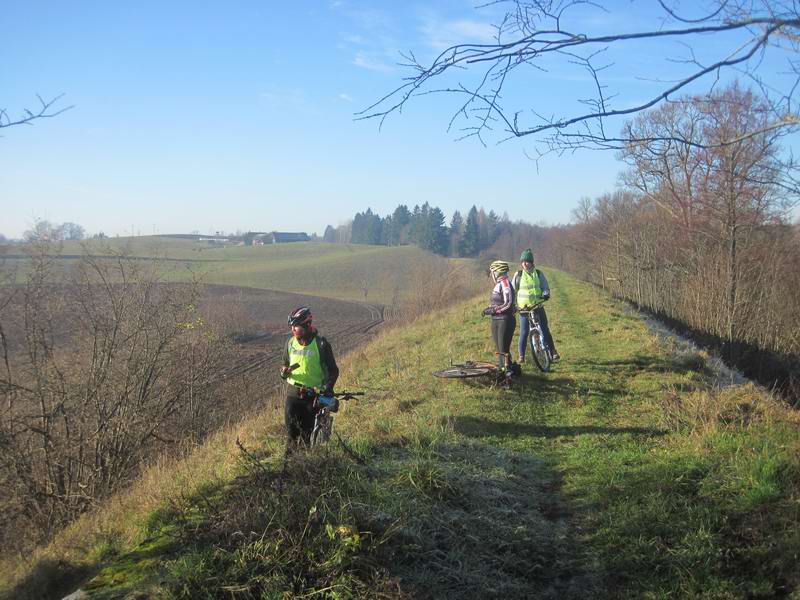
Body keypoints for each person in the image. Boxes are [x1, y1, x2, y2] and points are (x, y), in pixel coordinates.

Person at [279, 307, 339, 446]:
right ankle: (289, 466)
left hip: (313, 398)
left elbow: (333, 371)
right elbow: (284, 364)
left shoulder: (321, 344)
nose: (293, 329)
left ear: (307, 325)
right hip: (292, 396)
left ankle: (308, 465)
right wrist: (284, 371)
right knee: (291, 437)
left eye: (296, 326)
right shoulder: (290, 343)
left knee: (307, 438)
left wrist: (328, 388)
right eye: (292, 326)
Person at [512, 248, 560, 362]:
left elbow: (545, 287)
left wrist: (545, 294)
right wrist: (513, 306)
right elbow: (513, 291)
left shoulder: (538, 274)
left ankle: (553, 351)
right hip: (524, 310)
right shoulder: (518, 275)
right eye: (523, 261)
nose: (524, 263)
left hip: (538, 306)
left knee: (544, 328)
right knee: (524, 332)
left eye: (527, 261)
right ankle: (521, 356)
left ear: (532, 262)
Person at [482, 260, 517, 370]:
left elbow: (508, 303)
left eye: (492, 272)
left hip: (505, 320)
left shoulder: (505, 283)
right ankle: (504, 369)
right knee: (499, 350)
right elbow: (497, 302)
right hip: (496, 320)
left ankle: (508, 373)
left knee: (503, 349)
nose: (491, 275)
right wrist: (489, 308)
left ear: (496, 272)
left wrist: (494, 310)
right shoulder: (498, 284)